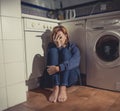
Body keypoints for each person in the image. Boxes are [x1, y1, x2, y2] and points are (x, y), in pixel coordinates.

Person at [46, 25, 81, 103]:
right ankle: (56, 87)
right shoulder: (51, 47)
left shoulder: (73, 46)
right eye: (55, 37)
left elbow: (76, 62)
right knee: (53, 50)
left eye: (60, 37)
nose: (57, 39)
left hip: (70, 77)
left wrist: (59, 68)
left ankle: (63, 87)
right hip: (54, 79)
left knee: (65, 51)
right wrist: (58, 47)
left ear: (66, 36)